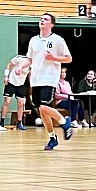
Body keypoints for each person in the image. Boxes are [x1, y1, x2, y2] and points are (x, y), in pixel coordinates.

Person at [25, 13, 73, 150]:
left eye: (45, 19)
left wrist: (53, 57)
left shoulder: (57, 40)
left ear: (51, 24)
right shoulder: (33, 40)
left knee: (44, 107)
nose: (42, 21)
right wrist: (20, 68)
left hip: (49, 78)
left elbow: (68, 59)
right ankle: (52, 138)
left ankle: (65, 122)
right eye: (41, 19)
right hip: (36, 79)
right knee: (42, 111)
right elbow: (29, 59)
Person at [0, 54, 29, 130]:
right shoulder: (19, 58)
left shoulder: (33, 63)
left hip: (21, 84)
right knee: (7, 101)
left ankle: (19, 123)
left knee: (21, 103)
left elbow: (30, 74)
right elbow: (9, 64)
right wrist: (6, 76)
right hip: (11, 82)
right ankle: (2, 121)